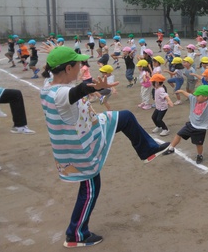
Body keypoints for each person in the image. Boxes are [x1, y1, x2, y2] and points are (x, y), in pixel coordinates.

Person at [39, 46, 169, 248]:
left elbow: (61, 76)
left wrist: (56, 50)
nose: (82, 67)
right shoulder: (62, 94)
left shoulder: (48, 85)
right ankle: (76, 234)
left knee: (125, 117)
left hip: (90, 124)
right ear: (67, 69)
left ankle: (147, 150)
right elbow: (75, 93)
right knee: (90, 188)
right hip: (81, 145)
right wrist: (91, 88)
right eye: (78, 65)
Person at [162, 85, 208, 164]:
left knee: (198, 144)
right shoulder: (194, 99)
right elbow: (188, 95)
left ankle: (200, 155)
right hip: (191, 124)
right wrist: (182, 91)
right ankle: (171, 148)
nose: (196, 96)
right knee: (178, 134)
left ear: (205, 97)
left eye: (198, 95)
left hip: (200, 128)